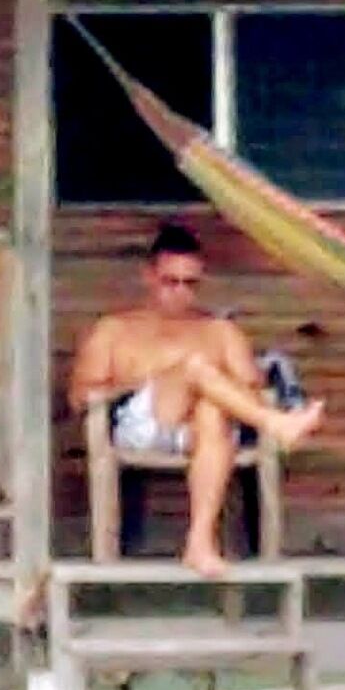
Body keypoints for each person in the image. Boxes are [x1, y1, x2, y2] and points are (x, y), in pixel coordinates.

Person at [67, 221, 323, 576]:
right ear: (149, 277)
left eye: (190, 284)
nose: (180, 292)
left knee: (211, 409)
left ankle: (199, 544)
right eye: (170, 282)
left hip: (203, 431)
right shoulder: (115, 329)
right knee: (194, 368)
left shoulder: (219, 331)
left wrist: (211, 389)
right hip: (144, 424)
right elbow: (81, 397)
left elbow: (250, 387)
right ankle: (279, 424)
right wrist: (150, 380)